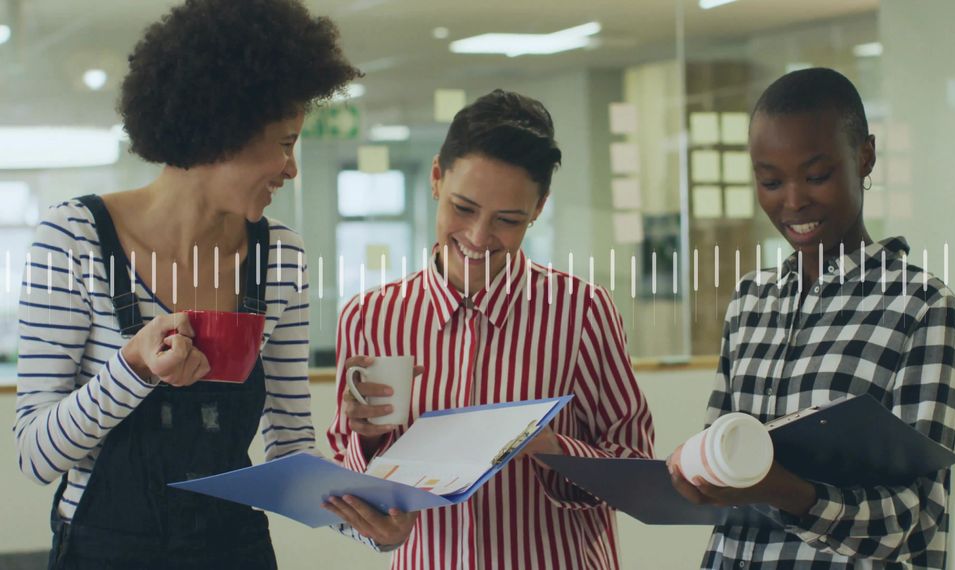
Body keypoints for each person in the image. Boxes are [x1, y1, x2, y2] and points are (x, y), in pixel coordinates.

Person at [14, 1, 359, 567]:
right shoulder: (74, 237)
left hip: (235, 552)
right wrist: (133, 368)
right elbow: (36, 456)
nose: (291, 168)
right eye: (285, 142)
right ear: (223, 130)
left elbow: (290, 446)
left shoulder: (281, 256)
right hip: (104, 553)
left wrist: (367, 524)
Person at [324, 89, 656, 569]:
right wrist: (368, 453)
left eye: (508, 220)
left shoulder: (582, 311)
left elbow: (637, 473)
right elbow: (344, 474)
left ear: (538, 208)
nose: (478, 237)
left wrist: (551, 448)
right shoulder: (368, 317)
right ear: (436, 178)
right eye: (463, 208)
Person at [668, 68, 955, 570]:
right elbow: (719, 461)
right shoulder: (751, 301)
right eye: (770, 181)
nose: (792, 201)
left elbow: (916, 521)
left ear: (865, 157)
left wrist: (787, 491)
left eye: (816, 176)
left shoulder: (920, 306)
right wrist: (695, 470)